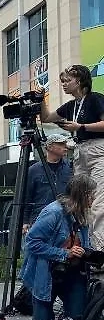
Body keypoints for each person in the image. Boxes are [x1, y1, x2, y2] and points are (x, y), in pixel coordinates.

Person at [38, 65, 104, 248]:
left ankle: (100, 248)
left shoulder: (95, 99)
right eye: (63, 81)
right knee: (81, 199)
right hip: (80, 151)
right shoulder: (70, 106)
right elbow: (46, 118)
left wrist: (81, 127)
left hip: (98, 149)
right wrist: (41, 100)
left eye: (68, 80)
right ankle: (87, 245)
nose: (64, 84)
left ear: (80, 81)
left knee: (99, 200)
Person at [20, 175, 95, 320]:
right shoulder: (53, 213)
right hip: (47, 272)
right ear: (81, 195)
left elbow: (85, 243)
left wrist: (87, 253)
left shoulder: (81, 215)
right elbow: (31, 242)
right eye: (90, 194)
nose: (93, 198)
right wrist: (64, 253)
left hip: (72, 272)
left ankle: (67, 315)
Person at [23, 133, 74, 232]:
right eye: (61, 144)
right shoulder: (34, 170)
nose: (65, 147)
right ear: (50, 147)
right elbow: (27, 196)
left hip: (65, 218)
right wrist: (25, 221)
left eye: (65, 143)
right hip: (40, 218)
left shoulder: (70, 167)